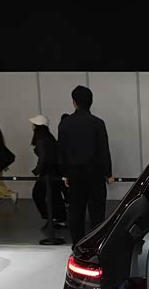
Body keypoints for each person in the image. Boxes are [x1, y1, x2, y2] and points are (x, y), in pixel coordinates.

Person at [58, 86, 113, 245]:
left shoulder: (65, 124)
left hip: (75, 174)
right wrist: (108, 173)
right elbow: (104, 150)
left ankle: (77, 246)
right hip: (95, 174)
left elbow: (61, 151)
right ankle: (96, 245)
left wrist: (65, 173)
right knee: (97, 212)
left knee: (76, 212)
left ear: (74, 102)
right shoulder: (98, 123)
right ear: (91, 102)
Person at [29, 115, 67, 227]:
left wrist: (36, 171)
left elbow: (43, 157)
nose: (32, 126)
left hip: (47, 170)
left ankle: (52, 217)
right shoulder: (47, 136)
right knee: (55, 194)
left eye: (34, 124)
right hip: (54, 169)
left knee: (37, 194)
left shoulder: (41, 138)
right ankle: (60, 218)